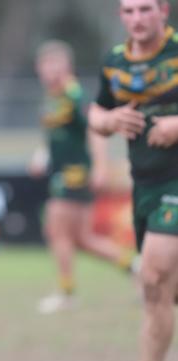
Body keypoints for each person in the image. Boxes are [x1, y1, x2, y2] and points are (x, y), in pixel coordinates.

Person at [88, 0, 178, 361]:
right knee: (160, 293)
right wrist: (110, 121)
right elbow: (96, 112)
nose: (136, 18)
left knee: (153, 274)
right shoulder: (115, 60)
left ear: (164, 12)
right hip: (144, 185)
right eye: (129, 11)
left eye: (145, 9)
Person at [31, 40, 136, 314]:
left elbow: (95, 129)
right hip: (62, 172)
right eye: (45, 65)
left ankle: (66, 293)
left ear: (67, 66)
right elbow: (57, 133)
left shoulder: (73, 94)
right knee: (83, 238)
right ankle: (138, 267)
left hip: (75, 174)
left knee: (57, 231)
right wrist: (42, 153)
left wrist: (102, 166)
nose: (50, 71)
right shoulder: (52, 97)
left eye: (56, 64)